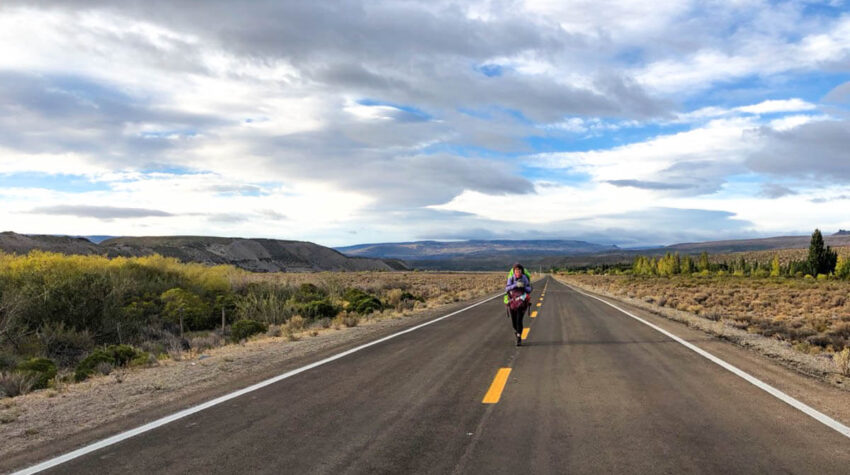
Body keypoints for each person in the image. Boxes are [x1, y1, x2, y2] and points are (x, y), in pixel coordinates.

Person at [505, 263, 532, 346]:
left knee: (519, 320)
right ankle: (517, 332)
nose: (518, 273)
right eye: (516, 271)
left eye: (519, 271)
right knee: (514, 322)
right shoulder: (511, 278)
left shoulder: (524, 278)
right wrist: (515, 285)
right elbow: (506, 288)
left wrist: (523, 287)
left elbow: (529, 289)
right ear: (514, 271)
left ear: (522, 271)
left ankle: (519, 337)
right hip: (512, 301)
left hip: (522, 301)